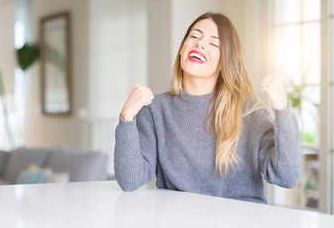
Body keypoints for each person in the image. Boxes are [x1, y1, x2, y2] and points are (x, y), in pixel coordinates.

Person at [114, 12, 301, 204]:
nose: (200, 44)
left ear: (224, 62)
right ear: (182, 49)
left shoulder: (249, 111)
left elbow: (286, 177)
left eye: (214, 43)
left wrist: (282, 109)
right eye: (194, 36)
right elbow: (130, 181)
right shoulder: (155, 110)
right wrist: (127, 118)